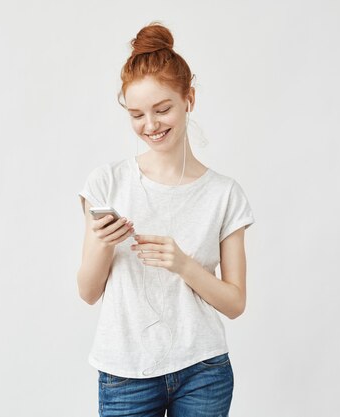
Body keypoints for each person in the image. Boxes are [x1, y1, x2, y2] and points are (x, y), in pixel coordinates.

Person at [76, 21, 255, 417]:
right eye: (137, 114)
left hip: (204, 370)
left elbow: (235, 302)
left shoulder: (225, 194)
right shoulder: (107, 182)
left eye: (162, 109)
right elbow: (88, 292)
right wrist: (105, 243)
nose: (150, 126)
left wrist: (183, 265)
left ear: (188, 99)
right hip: (125, 372)